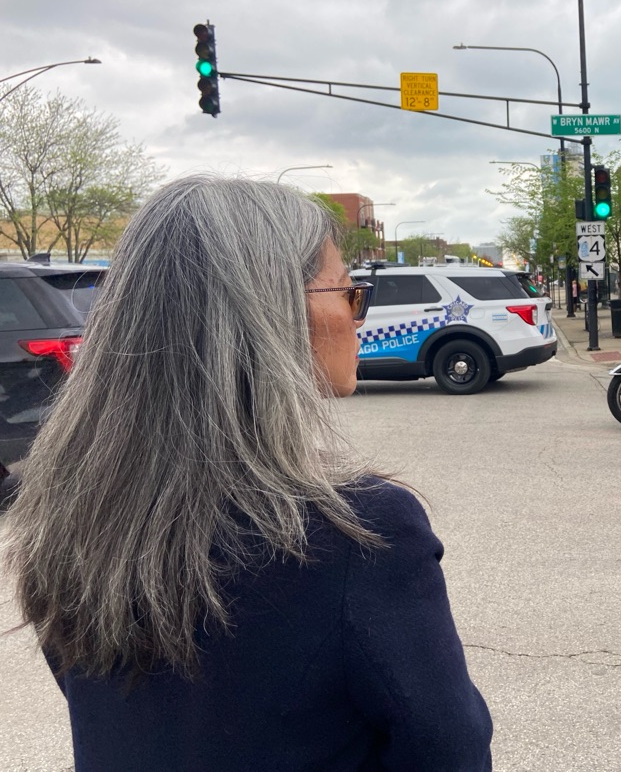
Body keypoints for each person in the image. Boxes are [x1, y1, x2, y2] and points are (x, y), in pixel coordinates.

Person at [1, 177, 493, 772]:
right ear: (272, 313)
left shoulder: (67, 512)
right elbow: (449, 752)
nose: (357, 317)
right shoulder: (357, 533)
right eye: (350, 294)